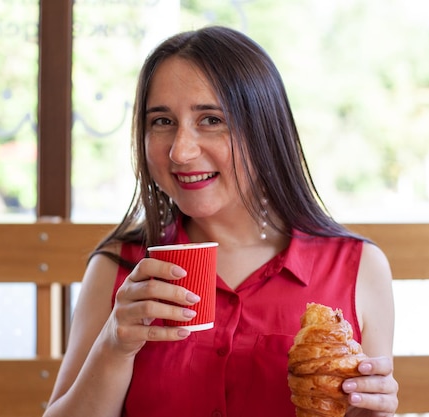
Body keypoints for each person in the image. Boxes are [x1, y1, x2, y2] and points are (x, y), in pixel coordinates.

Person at [43, 25, 398, 417]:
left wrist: (370, 411)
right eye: (162, 121)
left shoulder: (357, 269)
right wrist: (114, 344)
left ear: (265, 129)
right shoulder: (119, 268)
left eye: (211, 119)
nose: (180, 151)